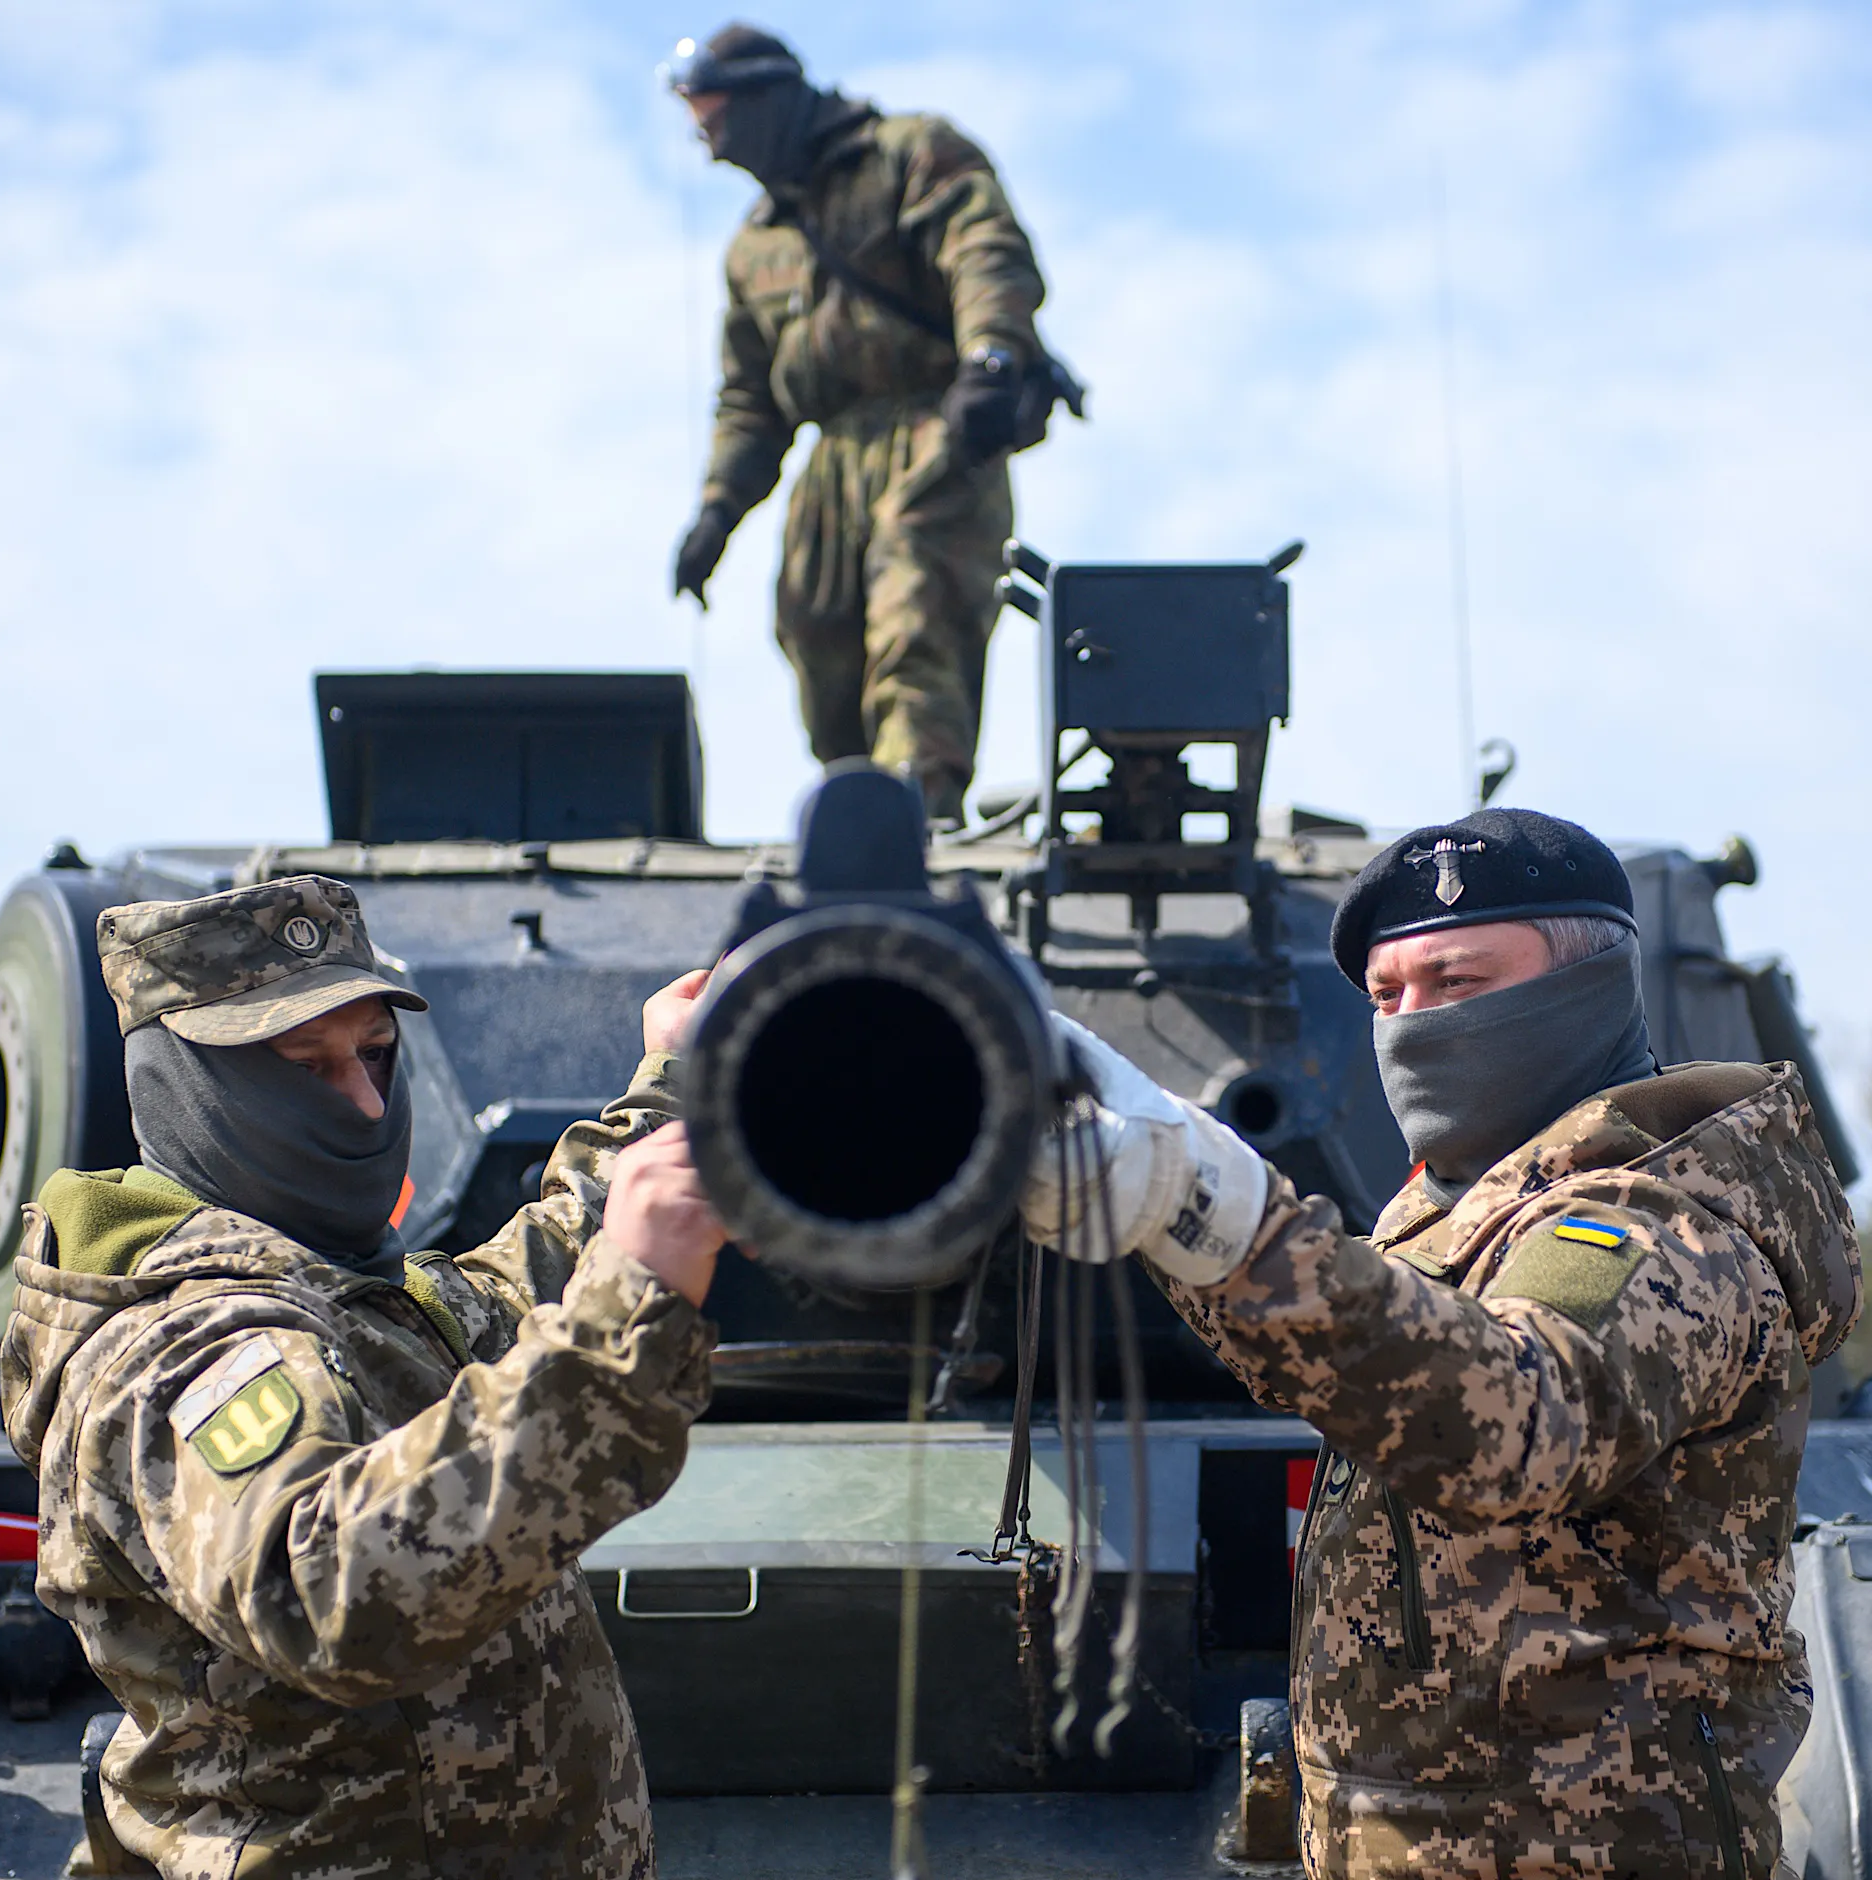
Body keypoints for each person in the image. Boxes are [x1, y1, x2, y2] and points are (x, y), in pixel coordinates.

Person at [1019, 807, 1861, 1879]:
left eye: (1457, 983)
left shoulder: (1661, 1219)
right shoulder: (1460, 1208)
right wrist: (1167, 1223)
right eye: (1385, 995)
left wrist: (1209, 1210)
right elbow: (1375, 1366)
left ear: (1585, 988)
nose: (1412, 1025)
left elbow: (1517, 1416)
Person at [0, 875, 727, 1878]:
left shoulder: (342, 1288)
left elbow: (511, 1293)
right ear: (188, 1089)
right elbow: (332, 1592)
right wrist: (622, 1323)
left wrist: (670, 1093)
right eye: (308, 1067)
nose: (363, 1100)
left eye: (376, 1053)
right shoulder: (175, 1352)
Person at [666, 23, 1065, 829]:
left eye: (716, 122)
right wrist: (719, 509)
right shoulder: (755, 246)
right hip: (831, 458)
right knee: (815, 633)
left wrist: (990, 360)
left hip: (935, 428)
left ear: (766, 99)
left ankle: (917, 812)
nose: (710, 148)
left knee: (914, 612)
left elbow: (984, 251)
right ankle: (864, 820)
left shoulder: (907, 154)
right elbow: (750, 396)